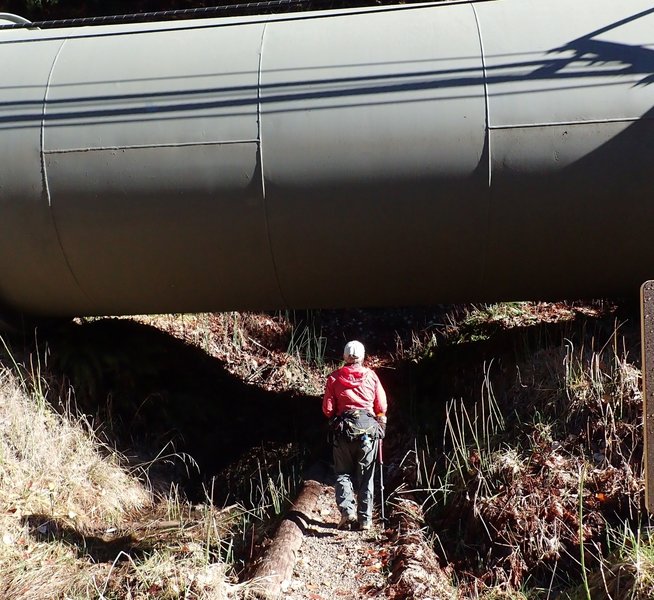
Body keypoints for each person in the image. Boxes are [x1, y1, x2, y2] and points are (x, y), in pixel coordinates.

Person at [322, 340, 388, 531]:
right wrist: (381, 422)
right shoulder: (371, 376)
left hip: (343, 431)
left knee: (343, 472)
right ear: (363, 356)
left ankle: (347, 512)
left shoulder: (334, 378)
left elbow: (328, 410)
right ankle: (365, 519)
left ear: (344, 356)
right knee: (367, 476)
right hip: (368, 431)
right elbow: (381, 406)